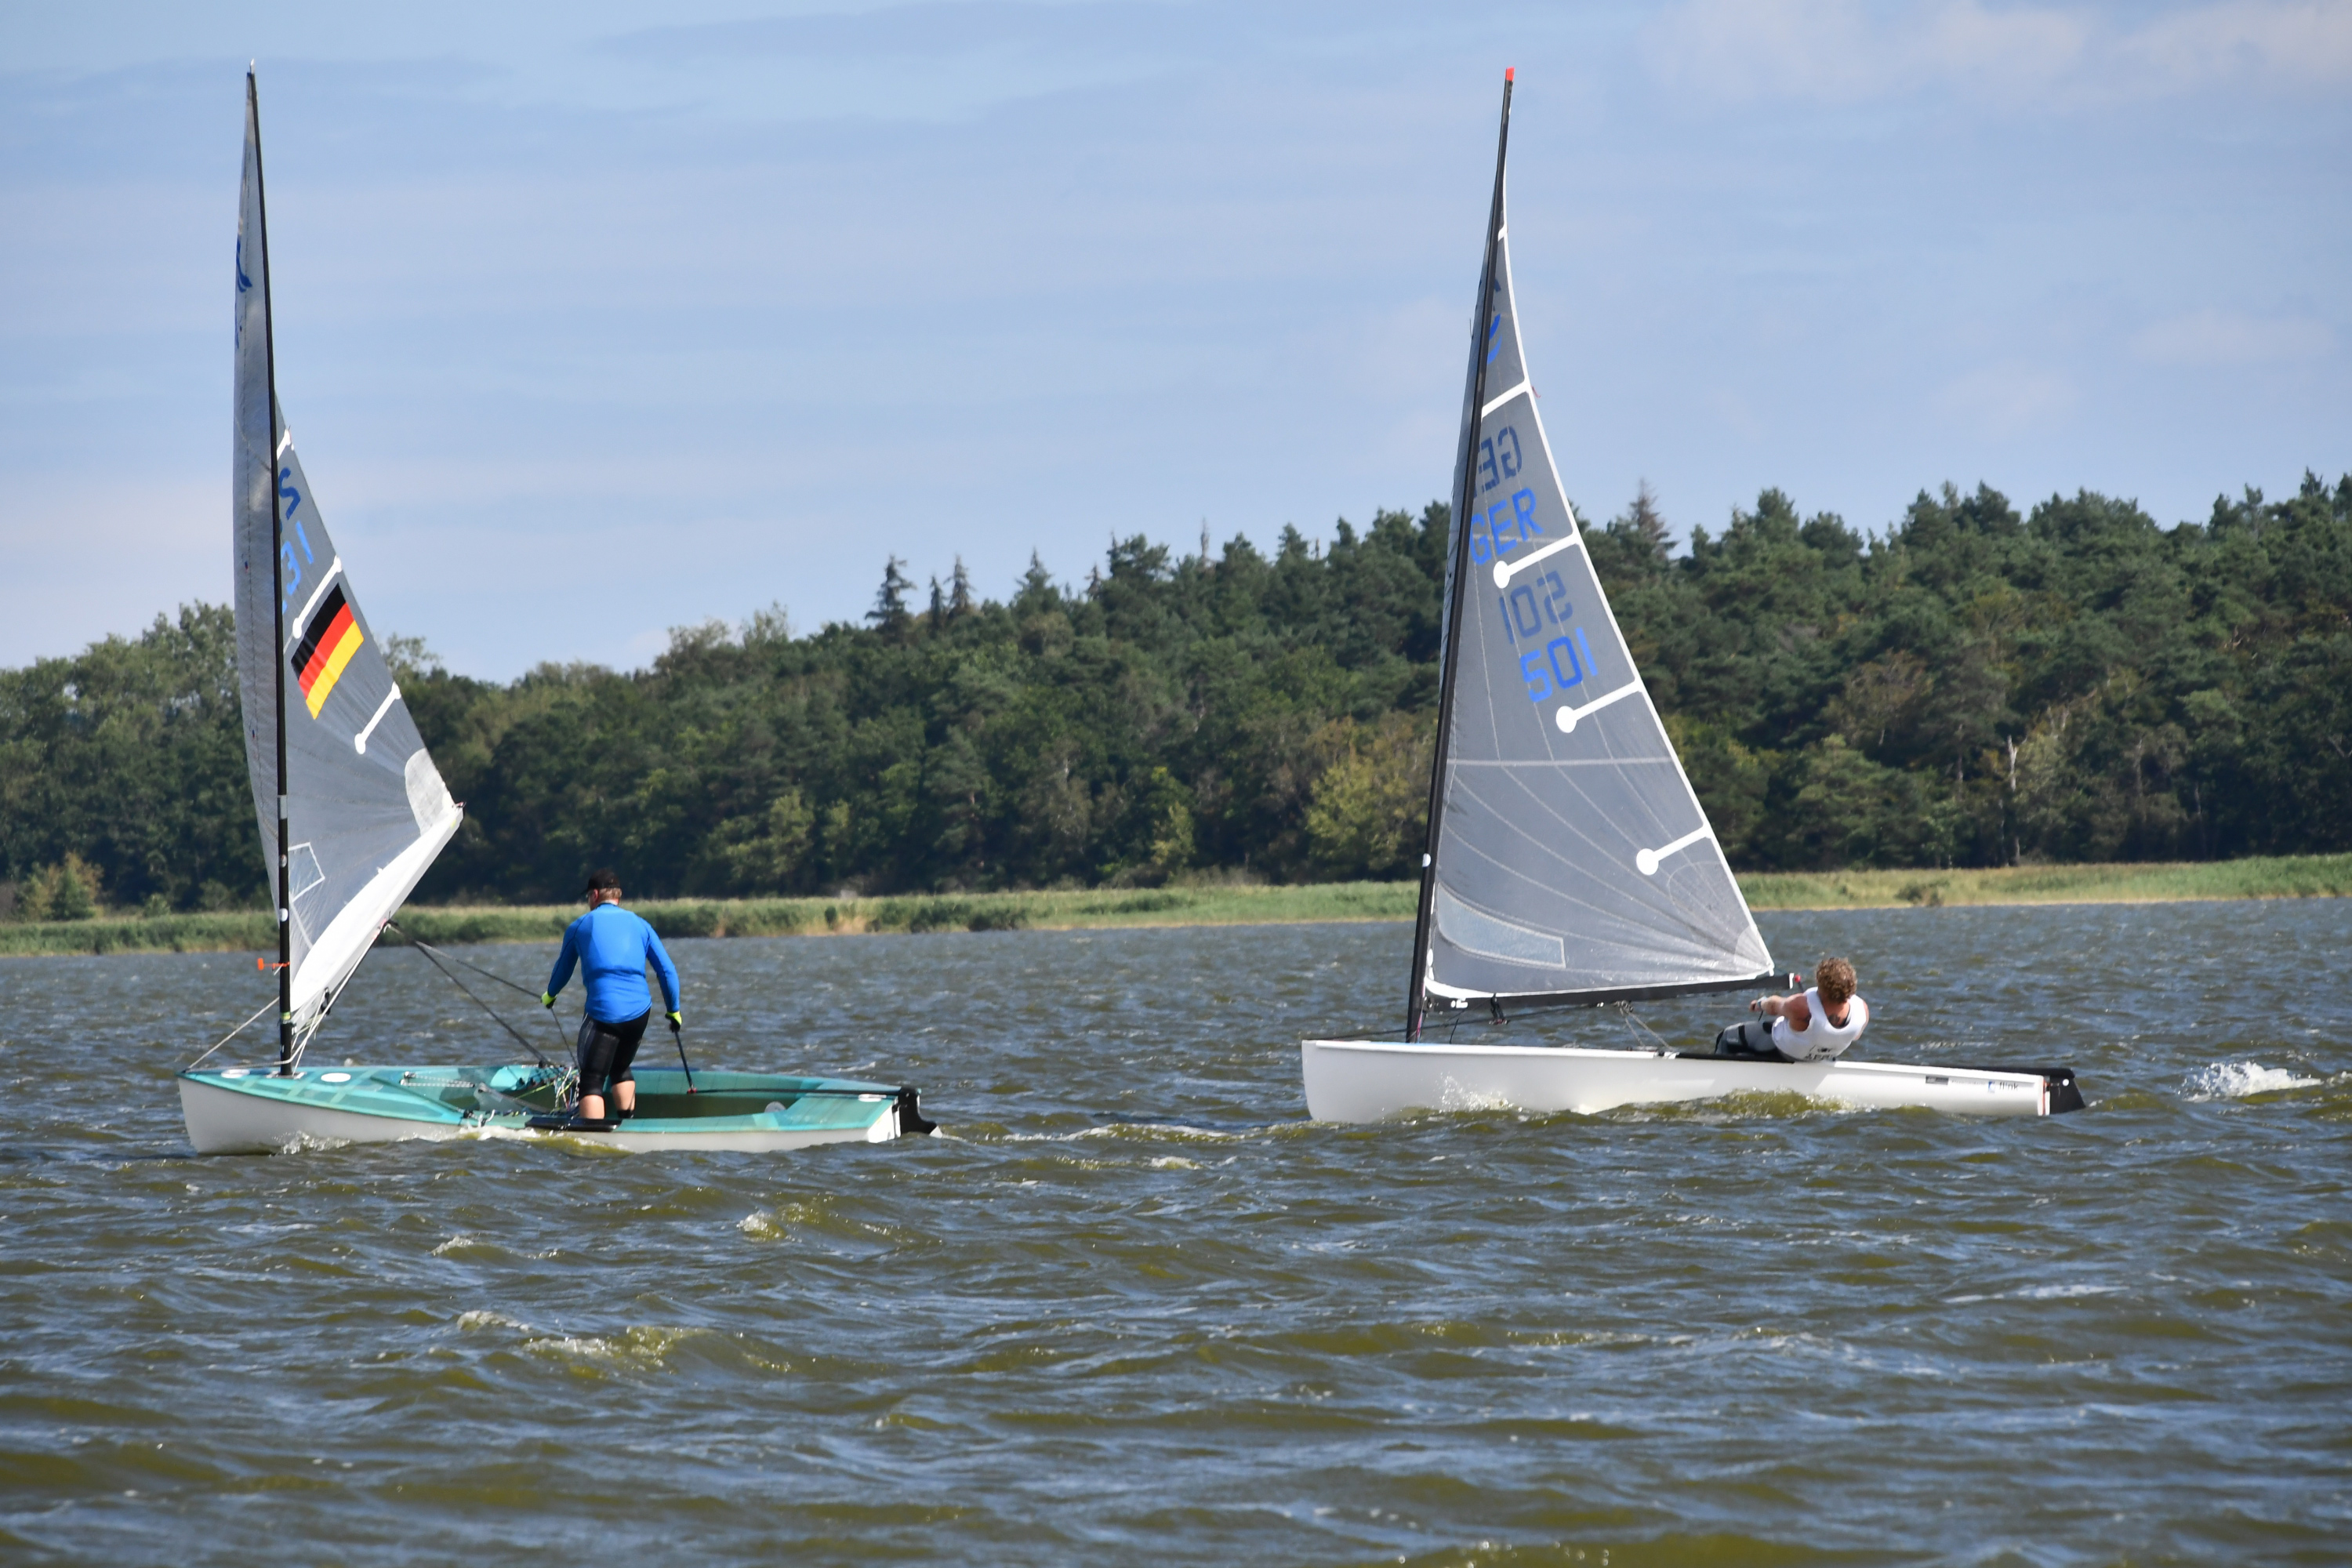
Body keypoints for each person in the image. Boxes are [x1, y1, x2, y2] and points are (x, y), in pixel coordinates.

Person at [542, 869, 681, 1125]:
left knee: (592, 1079)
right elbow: (667, 971)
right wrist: (674, 1011)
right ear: (618, 896)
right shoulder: (641, 925)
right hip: (640, 1014)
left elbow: (563, 970)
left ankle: (594, 1138)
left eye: (588, 897)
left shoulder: (581, 925)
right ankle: (628, 1124)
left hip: (604, 1013)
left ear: (595, 895)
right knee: (620, 1068)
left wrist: (550, 995)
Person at [1714, 956, 1869, 1062]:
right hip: (1823, 1057)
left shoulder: (1801, 1007)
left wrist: (1759, 1004)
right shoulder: (1863, 1010)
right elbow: (1855, 1036)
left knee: (1727, 1036)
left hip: (1783, 1051)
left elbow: (1773, 1006)